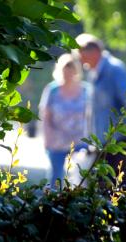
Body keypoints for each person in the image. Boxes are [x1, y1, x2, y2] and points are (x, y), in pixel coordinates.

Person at [75, 33, 126, 186]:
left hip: (117, 137)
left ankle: (124, 207)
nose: (80, 59)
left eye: (81, 54)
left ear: (93, 52)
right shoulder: (94, 72)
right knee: (111, 179)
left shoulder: (114, 69)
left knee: (110, 180)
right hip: (103, 139)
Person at [39, 53, 92, 189]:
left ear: (76, 70)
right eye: (65, 68)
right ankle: (51, 206)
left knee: (80, 177)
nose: (68, 71)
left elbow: (91, 117)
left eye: (71, 68)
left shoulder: (86, 90)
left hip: (80, 141)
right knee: (55, 178)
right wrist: (46, 139)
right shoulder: (52, 90)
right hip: (56, 141)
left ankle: (78, 204)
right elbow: (45, 116)